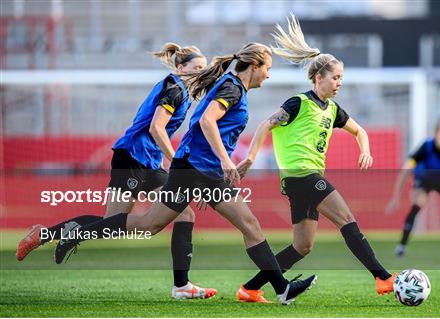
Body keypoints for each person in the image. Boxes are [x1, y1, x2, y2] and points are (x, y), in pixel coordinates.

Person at [52, 42, 317, 305]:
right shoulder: (231, 87)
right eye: (267, 68)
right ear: (255, 66)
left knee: (153, 224)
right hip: (195, 169)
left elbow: (202, 125)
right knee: (238, 225)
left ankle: (282, 289)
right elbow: (205, 121)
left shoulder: (232, 86)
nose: (268, 75)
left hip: (199, 171)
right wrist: (225, 162)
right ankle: (282, 289)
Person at [16, 42, 217, 299]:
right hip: (133, 157)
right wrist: (176, 161)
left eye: (203, 68)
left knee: (183, 214)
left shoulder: (180, 90)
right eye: (195, 67)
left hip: (148, 161)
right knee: (113, 223)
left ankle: (181, 286)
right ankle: (51, 235)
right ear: (180, 67)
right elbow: (157, 128)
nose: (200, 72)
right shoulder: (174, 89)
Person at [234, 15, 396, 303]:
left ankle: (250, 288)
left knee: (302, 245)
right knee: (346, 218)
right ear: (318, 77)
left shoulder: (332, 110)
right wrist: (250, 158)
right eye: (335, 77)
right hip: (302, 176)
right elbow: (265, 124)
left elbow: (359, 131)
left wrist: (366, 150)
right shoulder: (299, 102)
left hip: (305, 179)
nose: (339, 83)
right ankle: (382, 277)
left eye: (341, 78)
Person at [386, 112, 440, 259]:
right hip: (423, 180)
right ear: (436, 133)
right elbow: (405, 170)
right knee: (417, 205)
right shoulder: (426, 147)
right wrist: (395, 198)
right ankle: (401, 246)